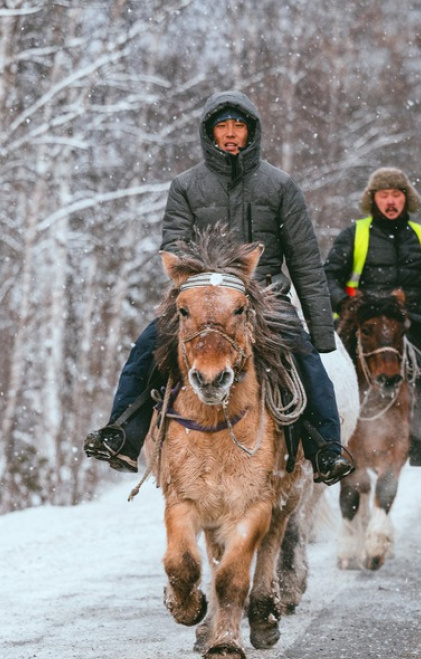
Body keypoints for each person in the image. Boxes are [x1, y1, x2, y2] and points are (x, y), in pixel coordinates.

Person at [84, 90, 354, 485]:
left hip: (264, 298)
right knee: (147, 348)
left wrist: (322, 333)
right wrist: (203, 278)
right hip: (202, 298)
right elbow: (174, 243)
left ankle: (325, 448)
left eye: (238, 126)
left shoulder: (280, 186)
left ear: (252, 132)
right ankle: (122, 435)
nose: (230, 134)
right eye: (222, 126)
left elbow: (305, 262)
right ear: (209, 133)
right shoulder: (185, 185)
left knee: (306, 359)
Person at [324, 167, 421, 469]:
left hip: (413, 321)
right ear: (372, 200)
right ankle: (328, 443)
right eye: (384, 195)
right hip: (362, 321)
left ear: (407, 199)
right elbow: (329, 275)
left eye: (397, 194)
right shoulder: (355, 234)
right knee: (329, 367)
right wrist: (345, 304)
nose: (391, 201)